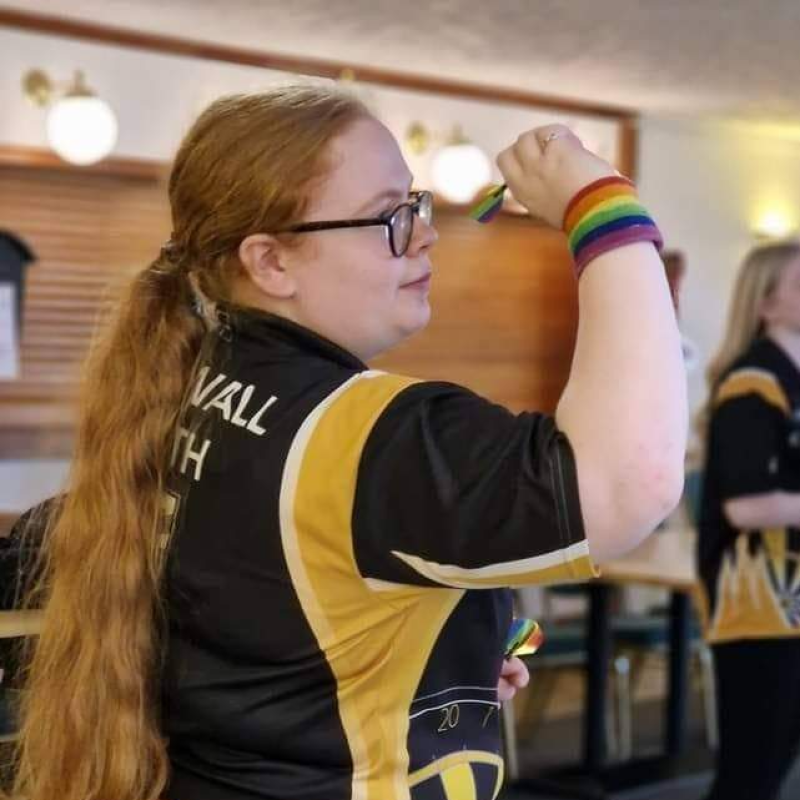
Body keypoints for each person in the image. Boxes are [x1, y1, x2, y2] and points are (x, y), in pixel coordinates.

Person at [8, 85, 686, 800]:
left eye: (414, 204)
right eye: (387, 216)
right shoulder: (357, 435)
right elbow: (630, 480)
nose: (424, 234)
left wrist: (450, 655)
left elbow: (271, 621)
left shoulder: (192, 391)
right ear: (271, 262)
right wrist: (603, 206)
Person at [698, 241, 800, 800]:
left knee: (774, 759)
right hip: (755, 602)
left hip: (790, 600)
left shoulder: (790, 377)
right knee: (752, 770)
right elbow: (747, 504)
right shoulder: (751, 382)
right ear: (765, 304)